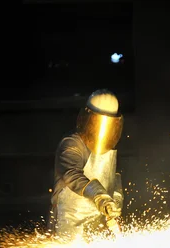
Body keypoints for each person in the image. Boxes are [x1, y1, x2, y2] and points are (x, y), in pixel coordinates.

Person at [48, 89, 124, 239]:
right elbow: (71, 174)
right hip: (68, 226)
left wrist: (115, 203)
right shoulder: (72, 144)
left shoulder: (109, 147)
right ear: (88, 118)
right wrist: (100, 196)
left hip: (97, 227)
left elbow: (112, 178)